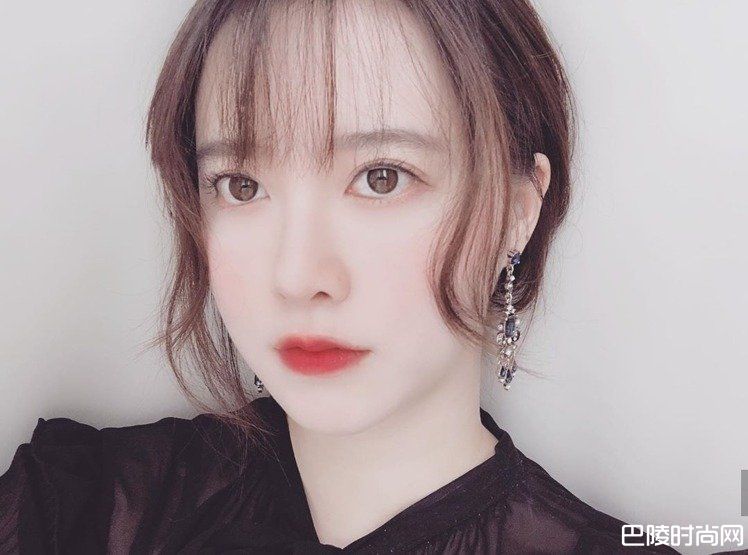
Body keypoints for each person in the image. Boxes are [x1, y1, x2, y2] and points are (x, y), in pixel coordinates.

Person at [0, 1, 690, 553]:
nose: (298, 275)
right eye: (241, 185)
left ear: (516, 210)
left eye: (381, 178)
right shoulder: (76, 511)